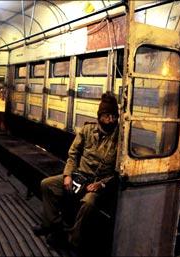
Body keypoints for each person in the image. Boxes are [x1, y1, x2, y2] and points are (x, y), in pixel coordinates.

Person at [33, 92, 120, 252]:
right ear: (100, 116)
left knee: (88, 203)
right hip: (79, 175)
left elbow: (119, 170)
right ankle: (54, 225)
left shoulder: (119, 138)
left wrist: (101, 184)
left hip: (96, 183)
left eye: (114, 116)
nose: (111, 120)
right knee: (47, 185)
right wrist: (67, 175)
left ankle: (72, 239)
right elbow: (73, 154)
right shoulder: (87, 130)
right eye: (107, 116)